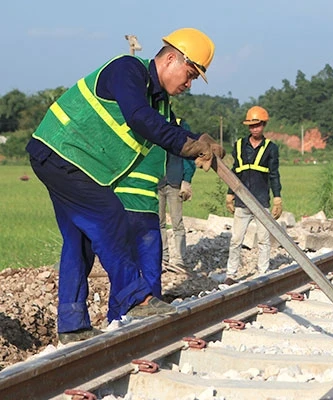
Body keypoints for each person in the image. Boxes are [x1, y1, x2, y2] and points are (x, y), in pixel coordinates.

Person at [26, 27, 225, 344]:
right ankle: (136, 298)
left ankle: (72, 324)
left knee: (80, 239)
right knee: (109, 216)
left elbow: (162, 127)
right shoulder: (127, 70)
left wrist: (196, 141)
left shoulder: (158, 102)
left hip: (78, 164)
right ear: (171, 58)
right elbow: (139, 118)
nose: (188, 85)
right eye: (188, 75)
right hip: (60, 153)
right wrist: (188, 146)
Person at [225, 106, 282, 285]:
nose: (254, 129)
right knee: (236, 239)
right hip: (242, 202)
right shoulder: (239, 145)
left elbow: (274, 174)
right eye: (251, 126)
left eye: (257, 125)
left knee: (264, 239)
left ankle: (263, 272)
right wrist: (229, 193)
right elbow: (235, 171)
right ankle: (231, 274)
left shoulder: (271, 148)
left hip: (261, 201)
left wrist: (277, 197)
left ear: (263, 125)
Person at [115, 145, 167, 299]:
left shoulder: (119, 141)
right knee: (151, 266)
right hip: (148, 211)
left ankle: (124, 312)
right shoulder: (158, 145)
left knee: (123, 264)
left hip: (121, 208)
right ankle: (154, 303)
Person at [159, 118, 197, 271]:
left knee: (177, 222)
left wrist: (186, 180)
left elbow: (189, 155)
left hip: (175, 181)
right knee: (159, 222)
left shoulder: (181, 125)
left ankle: (180, 259)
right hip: (158, 180)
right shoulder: (154, 122)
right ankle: (163, 258)